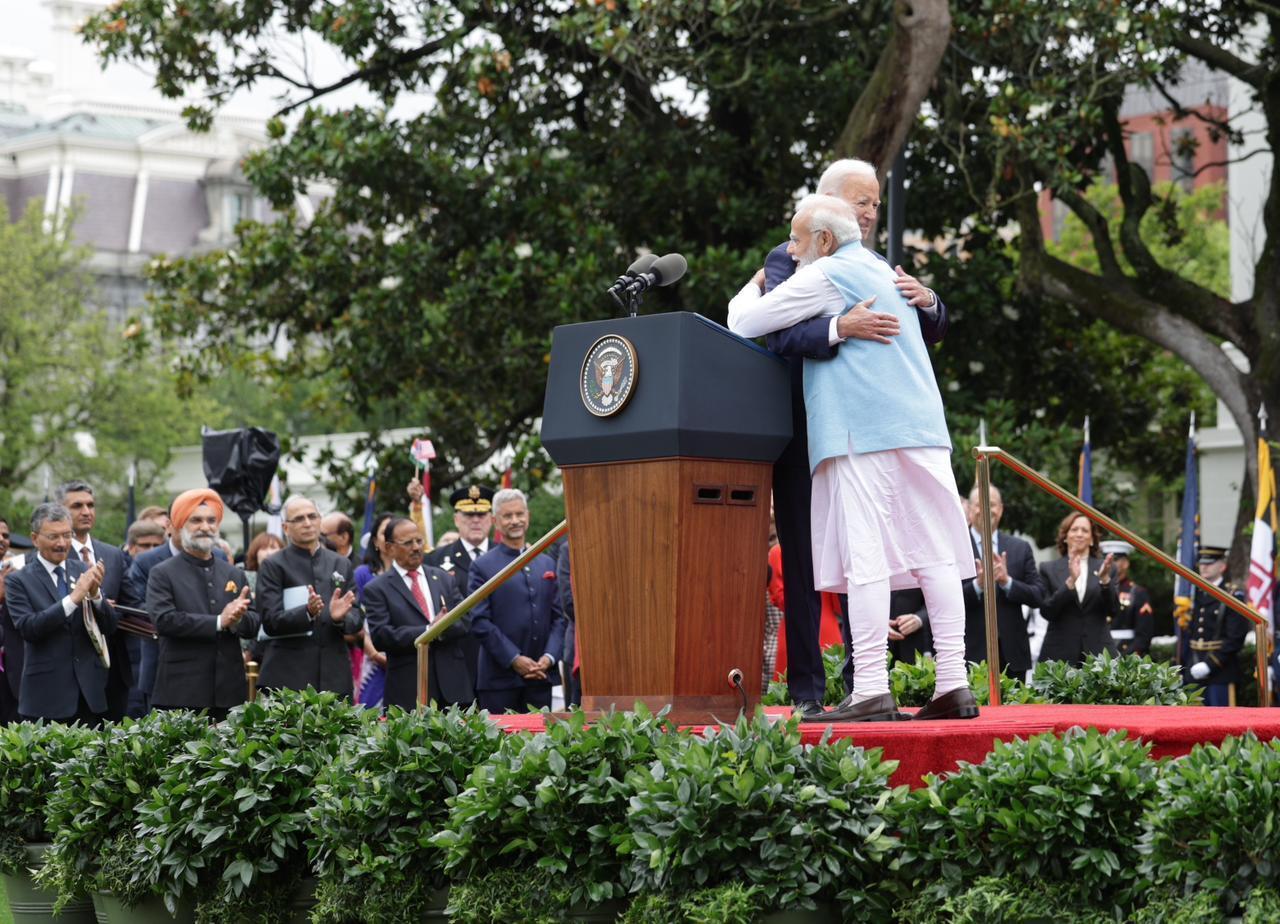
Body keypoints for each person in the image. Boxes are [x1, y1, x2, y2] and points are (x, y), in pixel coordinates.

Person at [728, 194, 975, 722]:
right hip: (924, 429)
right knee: (935, 557)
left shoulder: (827, 273)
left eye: (796, 240)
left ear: (822, 239)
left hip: (862, 433)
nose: (790, 252)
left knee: (866, 559)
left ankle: (868, 687)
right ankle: (954, 682)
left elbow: (745, 324)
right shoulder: (883, 270)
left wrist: (751, 286)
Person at [145, 490, 259, 719]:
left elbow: (253, 623)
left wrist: (238, 620)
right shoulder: (162, 573)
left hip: (229, 692)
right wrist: (219, 621)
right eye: (196, 520)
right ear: (179, 525)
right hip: (181, 692)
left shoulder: (233, 573)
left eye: (211, 520)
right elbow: (165, 620)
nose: (204, 527)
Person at [3, 503, 117, 725]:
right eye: (54, 536)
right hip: (46, 697)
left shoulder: (82, 570)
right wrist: (74, 598)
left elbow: (110, 627)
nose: (62, 543)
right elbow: (29, 628)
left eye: (67, 535)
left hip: (88, 695)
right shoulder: (18, 580)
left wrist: (95, 596)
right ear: (35, 539)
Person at [469, 489, 567, 713]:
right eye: (507, 516)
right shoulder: (482, 566)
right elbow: (480, 621)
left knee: (540, 746)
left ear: (528, 516)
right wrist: (514, 659)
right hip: (499, 680)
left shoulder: (546, 562)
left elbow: (559, 617)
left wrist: (549, 657)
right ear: (495, 521)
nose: (515, 521)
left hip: (541, 676)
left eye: (519, 514)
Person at [255, 496, 362, 697]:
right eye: (299, 519)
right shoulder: (273, 565)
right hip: (288, 676)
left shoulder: (341, 564)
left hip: (334, 675)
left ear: (320, 521)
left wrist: (340, 618)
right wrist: (307, 612)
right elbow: (269, 621)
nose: (307, 523)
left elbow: (357, 618)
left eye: (312, 516)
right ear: (286, 528)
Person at [363, 517, 472, 710]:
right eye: (407, 543)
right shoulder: (377, 589)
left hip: (453, 688)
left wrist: (442, 629)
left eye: (419, 541)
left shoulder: (444, 578)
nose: (416, 548)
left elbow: (464, 620)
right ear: (389, 548)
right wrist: (428, 630)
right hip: (408, 690)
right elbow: (381, 637)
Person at [55, 480, 142, 720]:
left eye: (91, 505)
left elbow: (133, 606)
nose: (86, 511)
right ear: (60, 510)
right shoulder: (52, 554)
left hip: (112, 672)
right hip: (70, 672)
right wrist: (91, 603)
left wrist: (106, 608)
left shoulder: (113, 555)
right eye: (77, 505)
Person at [962, 485, 1042, 678]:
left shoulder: (1020, 548)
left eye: (992, 504)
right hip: (969, 654)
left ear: (1001, 509)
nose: (987, 509)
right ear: (970, 509)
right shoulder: (957, 546)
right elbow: (945, 599)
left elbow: (1038, 595)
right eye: (980, 504)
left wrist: (1007, 582)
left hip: (1012, 655)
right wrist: (977, 586)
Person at [1036, 513, 1118, 665]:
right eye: (1074, 529)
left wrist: (1105, 581)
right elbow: (1047, 611)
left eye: (1085, 530)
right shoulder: (1048, 569)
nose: (1079, 534)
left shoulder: (1107, 568)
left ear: (1092, 539)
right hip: (1059, 655)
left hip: (1099, 654)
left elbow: (1113, 610)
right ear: (1065, 536)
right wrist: (1070, 582)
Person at [1181, 545, 1250, 706]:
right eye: (1202, 563)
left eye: (1209, 563)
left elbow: (1235, 638)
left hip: (1220, 672)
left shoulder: (1232, 596)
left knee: (1221, 726)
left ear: (1223, 566)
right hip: (1192, 669)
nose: (1203, 566)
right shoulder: (1193, 594)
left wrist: (1209, 664)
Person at [1100, 540, 1154, 657]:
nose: (1108, 563)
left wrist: (1126, 657)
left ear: (1125, 563)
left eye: (1114, 560)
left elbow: (1144, 635)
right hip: (1098, 652)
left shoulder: (1138, 593)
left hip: (1126, 653)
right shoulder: (1095, 589)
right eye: (1105, 560)